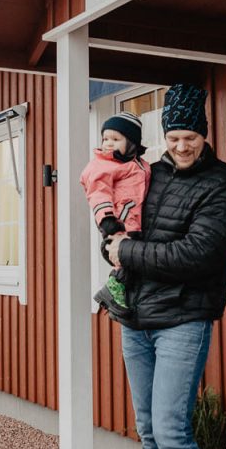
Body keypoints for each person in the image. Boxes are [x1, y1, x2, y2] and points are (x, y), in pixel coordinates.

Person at [105, 84, 226, 449]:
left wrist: (126, 251)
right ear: (163, 136)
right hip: (136, 319)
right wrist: (112, 235)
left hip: (184, 319)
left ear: (204, 136)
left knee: (171, 432)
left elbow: (196, 255)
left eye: (190, 137)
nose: (181, 146)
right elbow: (119, 222)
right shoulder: (148, 174)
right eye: (174, 137)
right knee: (148, 434)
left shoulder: (224, 185)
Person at [78, 110, 150, 317]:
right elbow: (98, 193)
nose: (108, 143)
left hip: (134, 222)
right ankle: (111, 290)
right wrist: (107, 220)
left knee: (134, 261)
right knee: (124, 259)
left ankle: (120, 291)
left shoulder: (138, 165)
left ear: (132, 143)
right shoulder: (103, 165)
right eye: (105, 138)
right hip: (117, 222)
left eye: (116, 139)